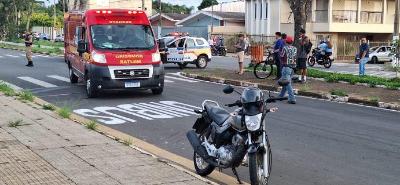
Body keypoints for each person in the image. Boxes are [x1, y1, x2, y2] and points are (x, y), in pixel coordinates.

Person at [279, 36, 297, 104]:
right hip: (292, 67)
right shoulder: (295, 48)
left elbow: (281, 55)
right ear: (292, 42)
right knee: (285, 82)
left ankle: (292, 98)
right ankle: (281, 96)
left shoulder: (284, 48)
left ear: (286, 41)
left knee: (287, 83)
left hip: (286, 67)